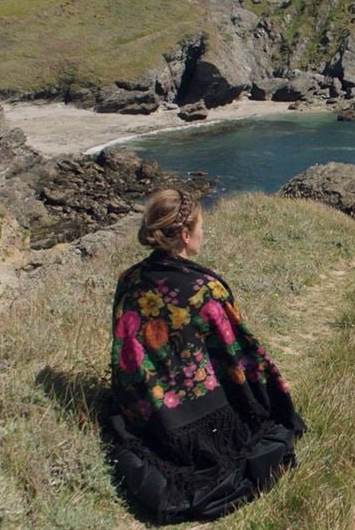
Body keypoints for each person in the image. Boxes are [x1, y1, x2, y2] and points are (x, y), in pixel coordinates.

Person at [107, 188, 305, 524]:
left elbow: (125, 354)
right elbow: (237, 352)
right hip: (207, 422)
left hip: (150, 413)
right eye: (200, 226)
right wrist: (273, 392)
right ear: (185, 235)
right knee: (268, 427)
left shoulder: (129, 280)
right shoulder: (204, 288)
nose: (203, 233)